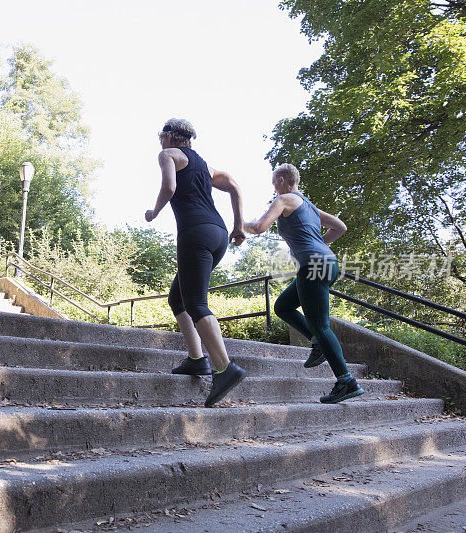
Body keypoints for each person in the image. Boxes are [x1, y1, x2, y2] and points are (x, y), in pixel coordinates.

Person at [145, 118, 247, 407]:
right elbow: (235, 185)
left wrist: (154, 212)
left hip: (195, 232)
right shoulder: (204, 164)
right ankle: (196, 359)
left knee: (197, 303)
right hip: (218, 234)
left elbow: (169, 186)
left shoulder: (168, 154)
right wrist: (238, 226)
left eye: (160, 136)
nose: (159, 141)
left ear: (169, 135)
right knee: (179, 298)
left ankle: (225, 368)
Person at [243, 163, 364, 404]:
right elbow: (340, 227)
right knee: (283, 307)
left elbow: (258, 227)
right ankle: (317, 342)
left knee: (321, 324)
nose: (273, 186)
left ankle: (346, 381)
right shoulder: (308, 205)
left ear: (280, 180)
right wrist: (320, 245)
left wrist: (239, 225)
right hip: (326, 263)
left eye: (273, 181)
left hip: (313, 265)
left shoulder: (285, 200)